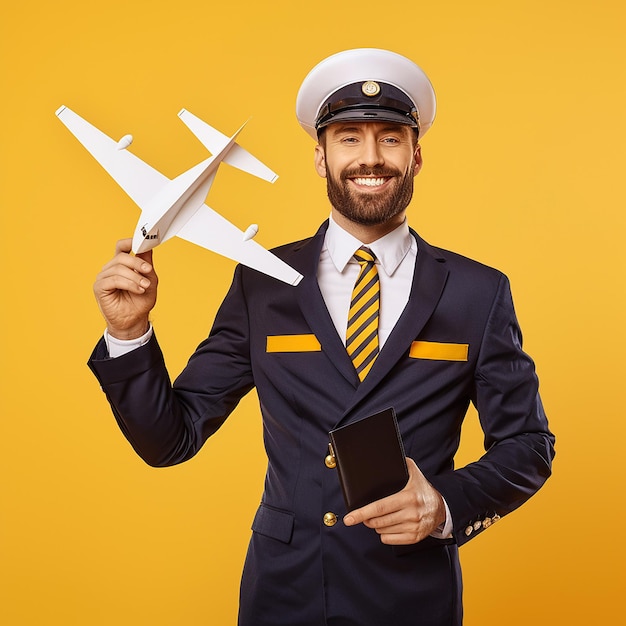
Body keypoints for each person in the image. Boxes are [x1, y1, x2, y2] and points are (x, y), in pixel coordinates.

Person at [88, 48, 555, 626]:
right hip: (287, 594)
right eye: (349, 138)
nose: (370, 158)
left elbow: (528, 445)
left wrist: (442, 506)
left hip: (411, 597)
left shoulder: (476, 292)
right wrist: (128, 332)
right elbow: (171, 439)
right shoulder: (261, 282)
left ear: (416, 155)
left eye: (389, 138)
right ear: (320, 156)